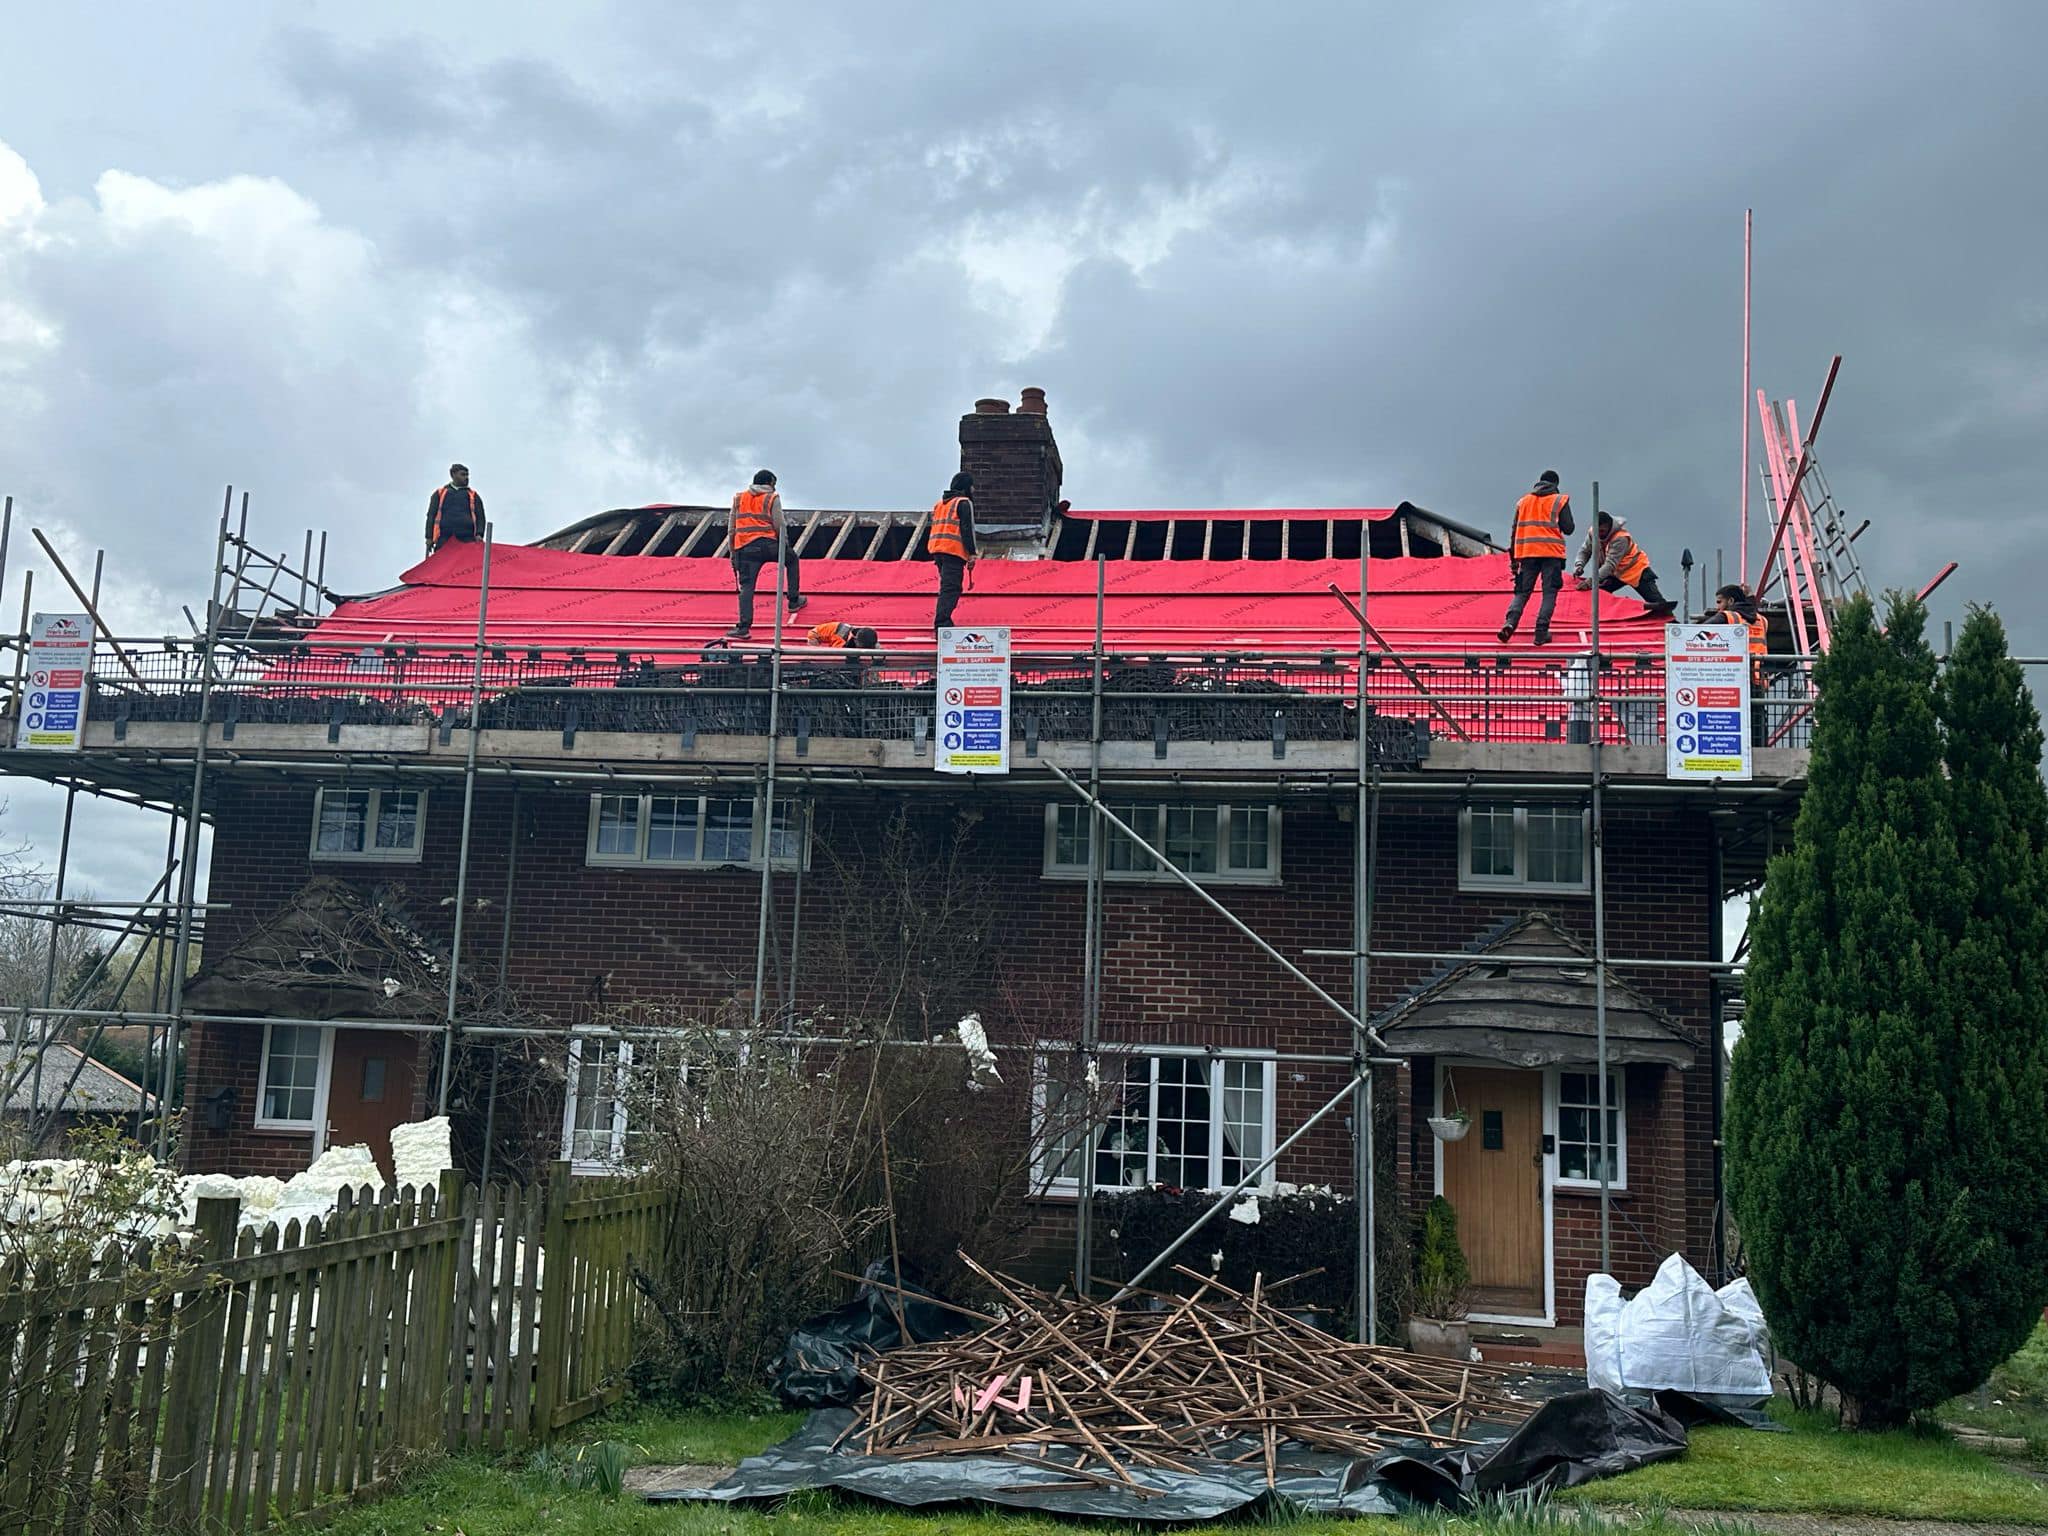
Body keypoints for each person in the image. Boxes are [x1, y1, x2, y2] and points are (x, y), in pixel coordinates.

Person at [1497, 469, 1575, 645]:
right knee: (1549, 592)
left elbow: (1514, 532)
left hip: (1527, 554)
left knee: (1522, 592)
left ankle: (1510, 623)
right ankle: (1541, 632)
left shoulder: (1523, 502)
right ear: (1556, 485)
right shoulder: (1559, 500)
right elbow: (1569, 528)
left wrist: (1514, 560)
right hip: (1551, 554)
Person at [726, 470, 805, 638]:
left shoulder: (739, 498)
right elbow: (780, 524)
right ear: (769, 483)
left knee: (746, 588)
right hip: (768, 544)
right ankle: (793, 600)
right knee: (791, 560)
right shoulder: (772, 497)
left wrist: (733, 553)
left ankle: (743, 628)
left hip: (745, 548)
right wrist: (785, 546)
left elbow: (731, 528)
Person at [1571, 511, 1674, 612]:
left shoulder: (1620, 538)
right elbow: (1585, 551)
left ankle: (1671, 622)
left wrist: (1590, 582)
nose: (1599, 534)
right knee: (1597, 593)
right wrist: (1579, 565)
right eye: (1597, 531)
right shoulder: (1593, 533)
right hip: (1615, 573)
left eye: (1602, 531)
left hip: (1635, 570)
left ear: (1609, 527)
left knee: (1656, 602)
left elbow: (1610, 565)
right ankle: (1601, 618)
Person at [926, 471, 978, 629]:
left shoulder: (940, 504)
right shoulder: (963, 503)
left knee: (947, 586)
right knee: (951, 588)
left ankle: (942, 620)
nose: (974, 490)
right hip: (952, 551)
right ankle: (942, 623)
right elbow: (967, 530)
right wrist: (972, 554)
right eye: (972, 486)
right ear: (966, 487)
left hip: (938, 551)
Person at [426, 464, 484, 553]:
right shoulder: (440, 493)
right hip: (444, 538)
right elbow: (431, 516)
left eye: (467, 475)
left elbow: (480, 517)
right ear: (453, 474)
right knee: (443, 565)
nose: (466, 477)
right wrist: (429, 537)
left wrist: (479, 534)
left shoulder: (473, 495)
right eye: (463, 474)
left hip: (467, 538)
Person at [808, 621, 877, 649]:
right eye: (861, 646)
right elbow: (814, 632)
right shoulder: (839, 631)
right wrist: (816, 651)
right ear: (855, 640)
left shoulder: (872, 642)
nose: (862, 649)